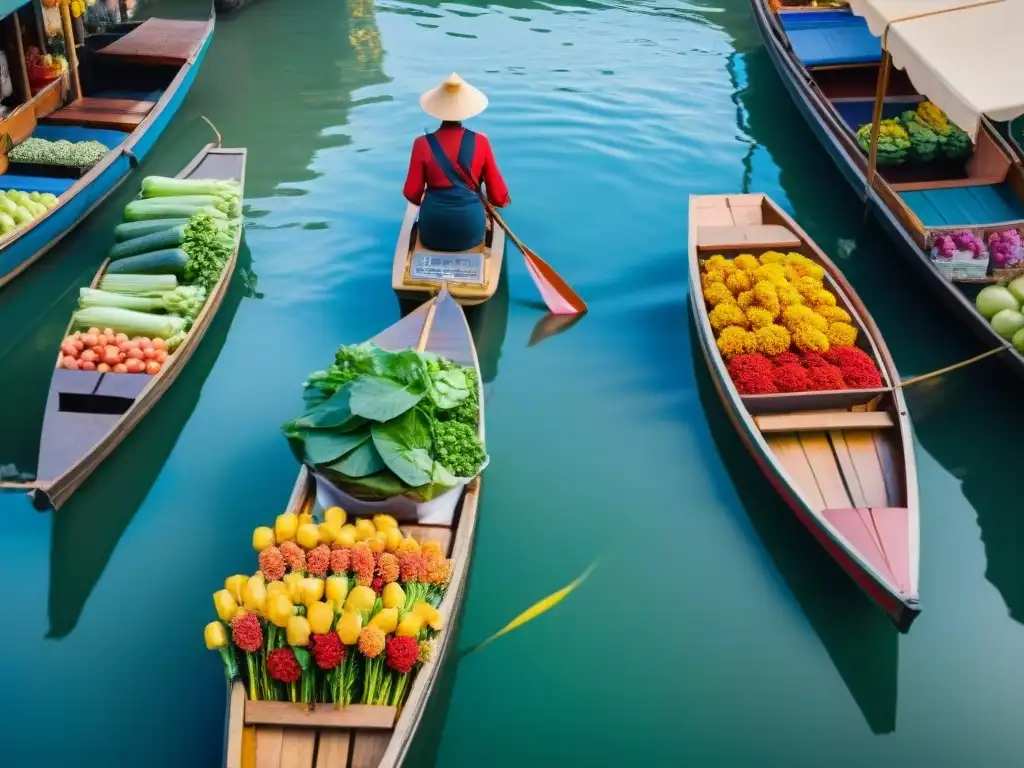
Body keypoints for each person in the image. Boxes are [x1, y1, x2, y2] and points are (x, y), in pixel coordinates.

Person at [403, 73, 511, 252]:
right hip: (471, 232)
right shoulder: (481, 142)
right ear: (466, 109)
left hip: (432, 231)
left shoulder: (421, 144)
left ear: (437, 108)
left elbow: (411, 193)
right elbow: (498, 198)